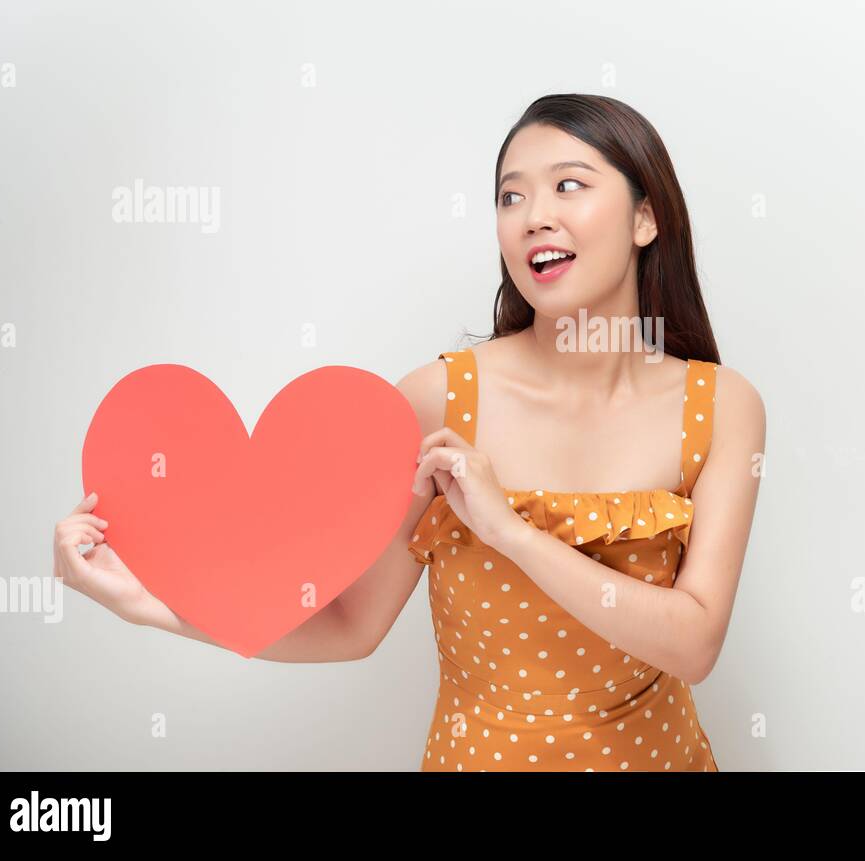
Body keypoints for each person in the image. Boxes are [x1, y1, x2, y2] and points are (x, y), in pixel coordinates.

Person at [54, 93, 766, 771]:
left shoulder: (721, 405)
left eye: (568, 186)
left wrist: (511, 530)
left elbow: (696, 641)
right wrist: (146, 602)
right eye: (510, 196)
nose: (532, 217)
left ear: (646, 218)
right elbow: (349, 626)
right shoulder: (437, 400)